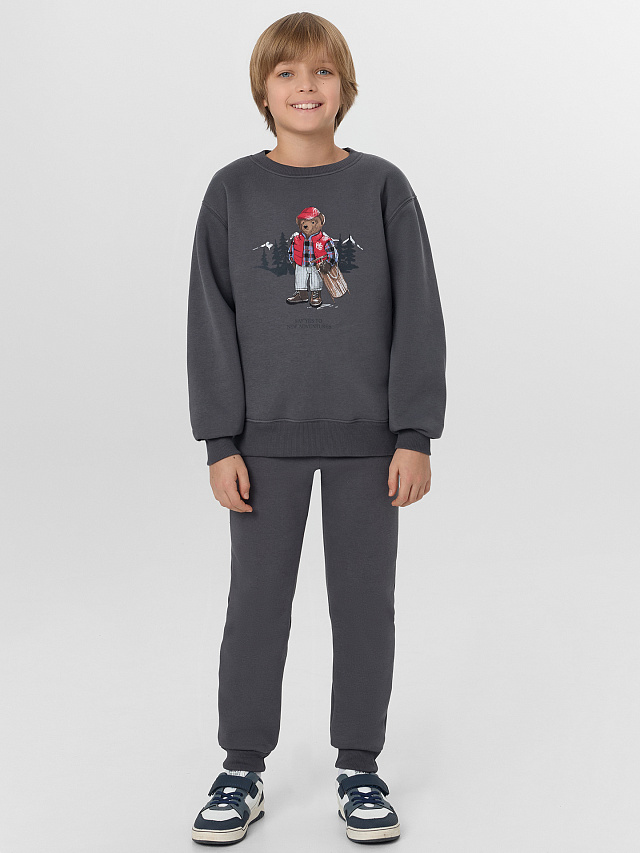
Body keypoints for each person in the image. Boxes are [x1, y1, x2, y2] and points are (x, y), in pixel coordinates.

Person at [187, 11, 447, 846]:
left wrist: (415, 432)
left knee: (364, 606)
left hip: (371, 445)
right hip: (262, 447)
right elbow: (210, 321)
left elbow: (418, 313)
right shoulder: (232, 191)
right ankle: (241, 767)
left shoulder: (383, 187)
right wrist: (220, 441)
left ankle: (359, 766)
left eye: (323, 71)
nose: (306, 85)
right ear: (263, 90)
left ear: (346, 87)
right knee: (256, 606)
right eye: (288, 72)